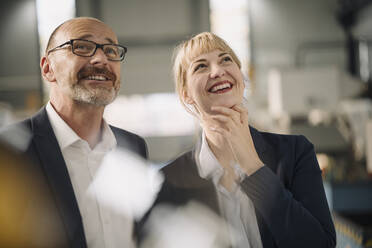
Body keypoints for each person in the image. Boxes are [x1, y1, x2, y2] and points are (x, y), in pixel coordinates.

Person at [147, 32, 336, 248]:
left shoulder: (295, 153)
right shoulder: (168, 182)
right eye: (201, 66)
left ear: (241, 78)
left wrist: (253, 167)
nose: (217, 71)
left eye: (225, 59)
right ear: (186, 94)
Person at [0, 17, 147, 248]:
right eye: (82, 47)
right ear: (48, 68)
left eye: (110, 50)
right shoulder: (10, 152)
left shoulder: (132, 146)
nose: (101, 59)